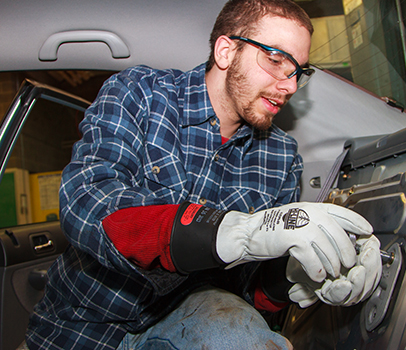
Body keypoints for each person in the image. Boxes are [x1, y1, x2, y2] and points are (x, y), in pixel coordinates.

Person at [25, 0, 382, 349]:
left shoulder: (282, 158)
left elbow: (246, 290)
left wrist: (291, 281)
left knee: (235, 331)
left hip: (187, 327)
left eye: (298, 71)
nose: (289, 85)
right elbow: (88, 203)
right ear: (225, 52)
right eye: (276, 60)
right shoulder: (141, 94)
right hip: (77, 330)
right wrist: (229, 231)